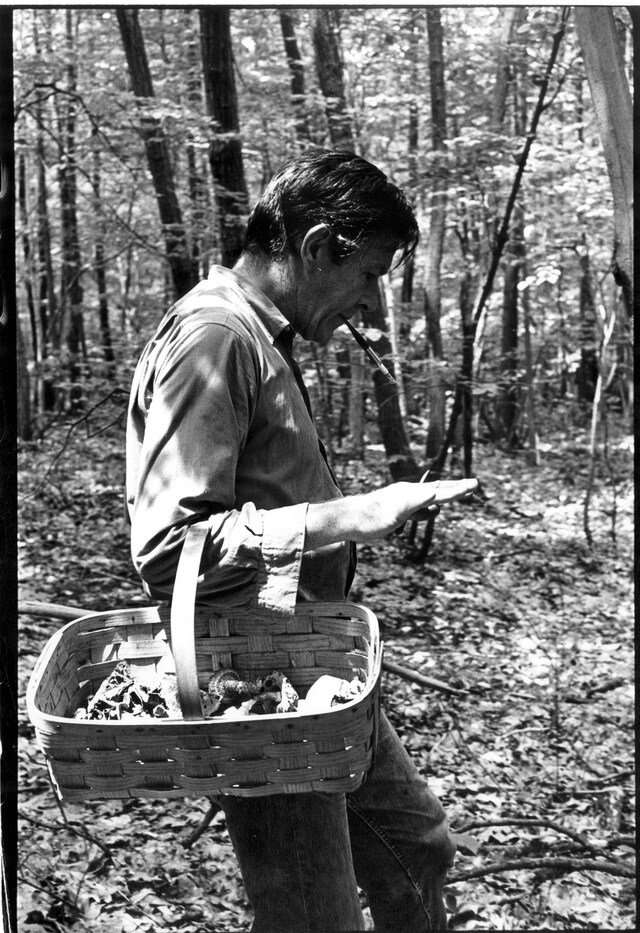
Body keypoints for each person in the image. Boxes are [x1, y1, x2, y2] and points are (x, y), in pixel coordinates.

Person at [126, 148, 477, 932]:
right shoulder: (215, 337)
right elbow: (167, 545)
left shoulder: (259, 333)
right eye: (371, 274)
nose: (370, 300)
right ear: (321, 247)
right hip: (258, 685)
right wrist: (348, 515)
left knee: (415, 843)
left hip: (314, 668)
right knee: (313, 917)